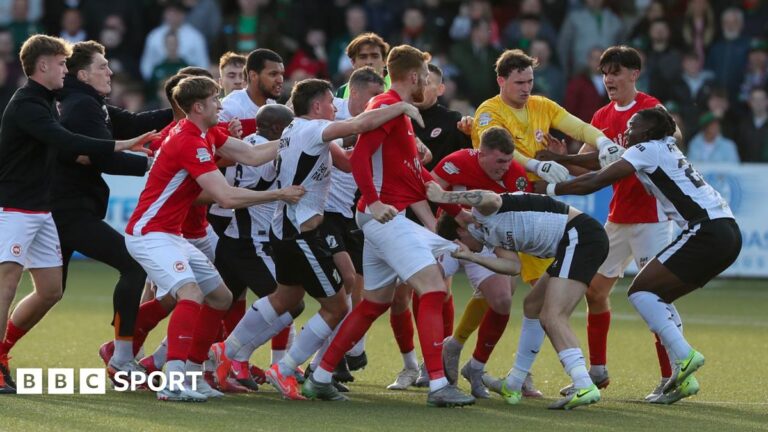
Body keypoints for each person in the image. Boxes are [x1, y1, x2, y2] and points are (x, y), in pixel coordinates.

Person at [209, 77, 424, 401]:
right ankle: (285, 368)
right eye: (330, 103)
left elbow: (349, 163)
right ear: (318, 105)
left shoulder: (298, 130)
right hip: (300, 233)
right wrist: (400, 107)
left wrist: (383, 146)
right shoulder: (312, 130)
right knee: (336, 306)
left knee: (287, 298)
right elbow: (360, 123)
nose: (335, 108)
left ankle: (227, 350)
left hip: (289, 229)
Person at [303, 45, 476, 408]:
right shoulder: (386, 105)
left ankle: (320, 376)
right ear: (413, 77)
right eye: (425, 77)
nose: (428, 83)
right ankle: (438, 384)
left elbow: (414, 174)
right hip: (384, 216)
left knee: (374, 303)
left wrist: (455, 210)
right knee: (432, 288)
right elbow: (361, 158)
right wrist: (374, 200)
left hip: (382, 217)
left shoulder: (398, 111)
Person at [535, 106, 742, 404]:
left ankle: (684, 356)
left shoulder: (645, 149)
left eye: (633, 126)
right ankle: (680, 375)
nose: (627, 131)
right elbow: (602, 162)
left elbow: (595, 180)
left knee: (641, 292)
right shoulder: (664, 146)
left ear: (646, 132)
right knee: (659, 297)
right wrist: (562, 158)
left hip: (706, 230)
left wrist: (549, 188)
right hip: (728, 231)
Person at [124, 76, 305, 402]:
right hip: (149, 234)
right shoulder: (189, 141)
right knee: (190, 293)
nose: (221, 106)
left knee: (220, 297)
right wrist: (279, 194)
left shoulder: (206, 132)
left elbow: (252, 155)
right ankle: (172, 381)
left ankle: (194, 376)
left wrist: (298, 138)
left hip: (170, 235)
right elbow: (225, 197)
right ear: (198, 107)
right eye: (215, 100)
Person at [0, 34, 155, 394]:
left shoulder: (48, 101)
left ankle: (4, 350)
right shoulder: (26, 104)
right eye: (60, 64)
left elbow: (68, 145)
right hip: (14, 207)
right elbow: (67, 141)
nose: (65, 71)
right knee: (6, 286)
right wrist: (123, 146)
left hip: (42, 210)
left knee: (51, 291)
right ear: (43, 66)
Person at [534, 45, 682, 400]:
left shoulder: (650, 109)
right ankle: (598, 371)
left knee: (656, 297)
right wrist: (563, 158)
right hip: (618, 219)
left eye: (616, 72)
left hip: (651, 219)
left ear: (634, 74)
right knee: (595, 291)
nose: (609, 80)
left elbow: (671, 141)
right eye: (605, 73)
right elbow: (588, 166)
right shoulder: (601, 115)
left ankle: (672, 375)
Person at [427, 183, 609, 410]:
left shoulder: (482, 213)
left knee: (552, 316)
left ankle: (583, 384)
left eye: (462, 247)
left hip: (580, 237)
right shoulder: (489, 237)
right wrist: (473, 258)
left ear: (461, 232)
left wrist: (444, 196)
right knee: (532, 305)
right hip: (571, 243)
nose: (468, 251)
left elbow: (492, 198)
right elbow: (513, 266)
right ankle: (514, 383)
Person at [53, 40, 172, 377]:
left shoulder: (90, 103)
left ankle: (3, 351)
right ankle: (121, 358)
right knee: (132, 265)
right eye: (103, 66)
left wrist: (181, 108)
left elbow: (134, 123)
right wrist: (153, 164)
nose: (110, 72)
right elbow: (104, 157)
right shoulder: (81, 106)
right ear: (83, 74)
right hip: (68, 210)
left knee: (49, 292)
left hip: (69, 208)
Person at [430, 126, 543, 400]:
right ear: (481, 154)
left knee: (503, 299)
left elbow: (520, 216)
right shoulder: (457, 162)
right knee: (429, 290)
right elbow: (429, 188)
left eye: (509, 161)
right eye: (500, 161)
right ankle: (429, 367)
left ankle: (472, 363)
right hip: (448, 236)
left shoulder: (516, 176)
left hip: (487, 243)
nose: (505, 167)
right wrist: (457, 216)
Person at [211, 104, 297, 392]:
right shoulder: (264, 152)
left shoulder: (245, 143)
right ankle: (235, 354)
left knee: (213, 307)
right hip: (250, 243)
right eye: (290, 127)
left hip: (235, 239)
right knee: (290, 301)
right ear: (277, 129)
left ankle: (158, 360)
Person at [211, 49, 284, 237]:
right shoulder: (229, 108)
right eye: (273, 74)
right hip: (223, 208)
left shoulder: (273, 107)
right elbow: (212, 157)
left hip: (258, 204)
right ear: (252, 75)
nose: (280, 80)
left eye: (281, 74)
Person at [335, 32, 390, 99]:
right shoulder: (342, 92)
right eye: (363, 57)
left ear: (384, 61)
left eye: (375, 56)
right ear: (353, 62)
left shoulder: (399, 85)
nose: (369, 62)